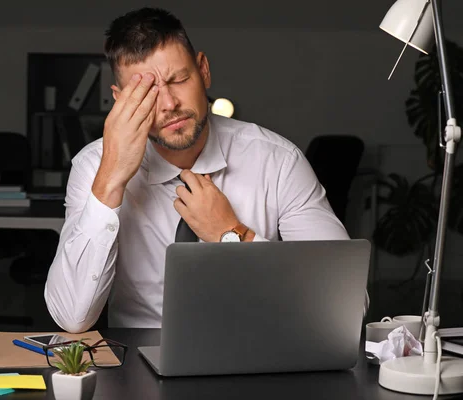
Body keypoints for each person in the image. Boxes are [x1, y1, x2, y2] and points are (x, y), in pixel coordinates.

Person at [44, 7, 359, 333]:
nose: (168, 104)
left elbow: (346, 304)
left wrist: (233, 235)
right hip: (139, 361)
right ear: (120, 100)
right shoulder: (94, 167)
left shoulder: (278, 160)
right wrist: (111, 180)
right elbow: (72, 317)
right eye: (147, 93)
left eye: (178, 79)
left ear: (203, 70)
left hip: (260, 352)